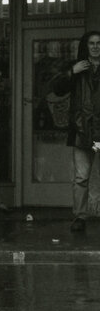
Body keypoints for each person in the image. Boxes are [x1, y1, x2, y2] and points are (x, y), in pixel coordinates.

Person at [53, 30, 100, 231]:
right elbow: (57, 88)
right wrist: (72, 71)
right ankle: (80, 216)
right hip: (82, 130)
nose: (96, 47)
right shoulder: (78, 67)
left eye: (98, 43)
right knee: (81, 176)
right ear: (85, 46)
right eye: (92, 43)